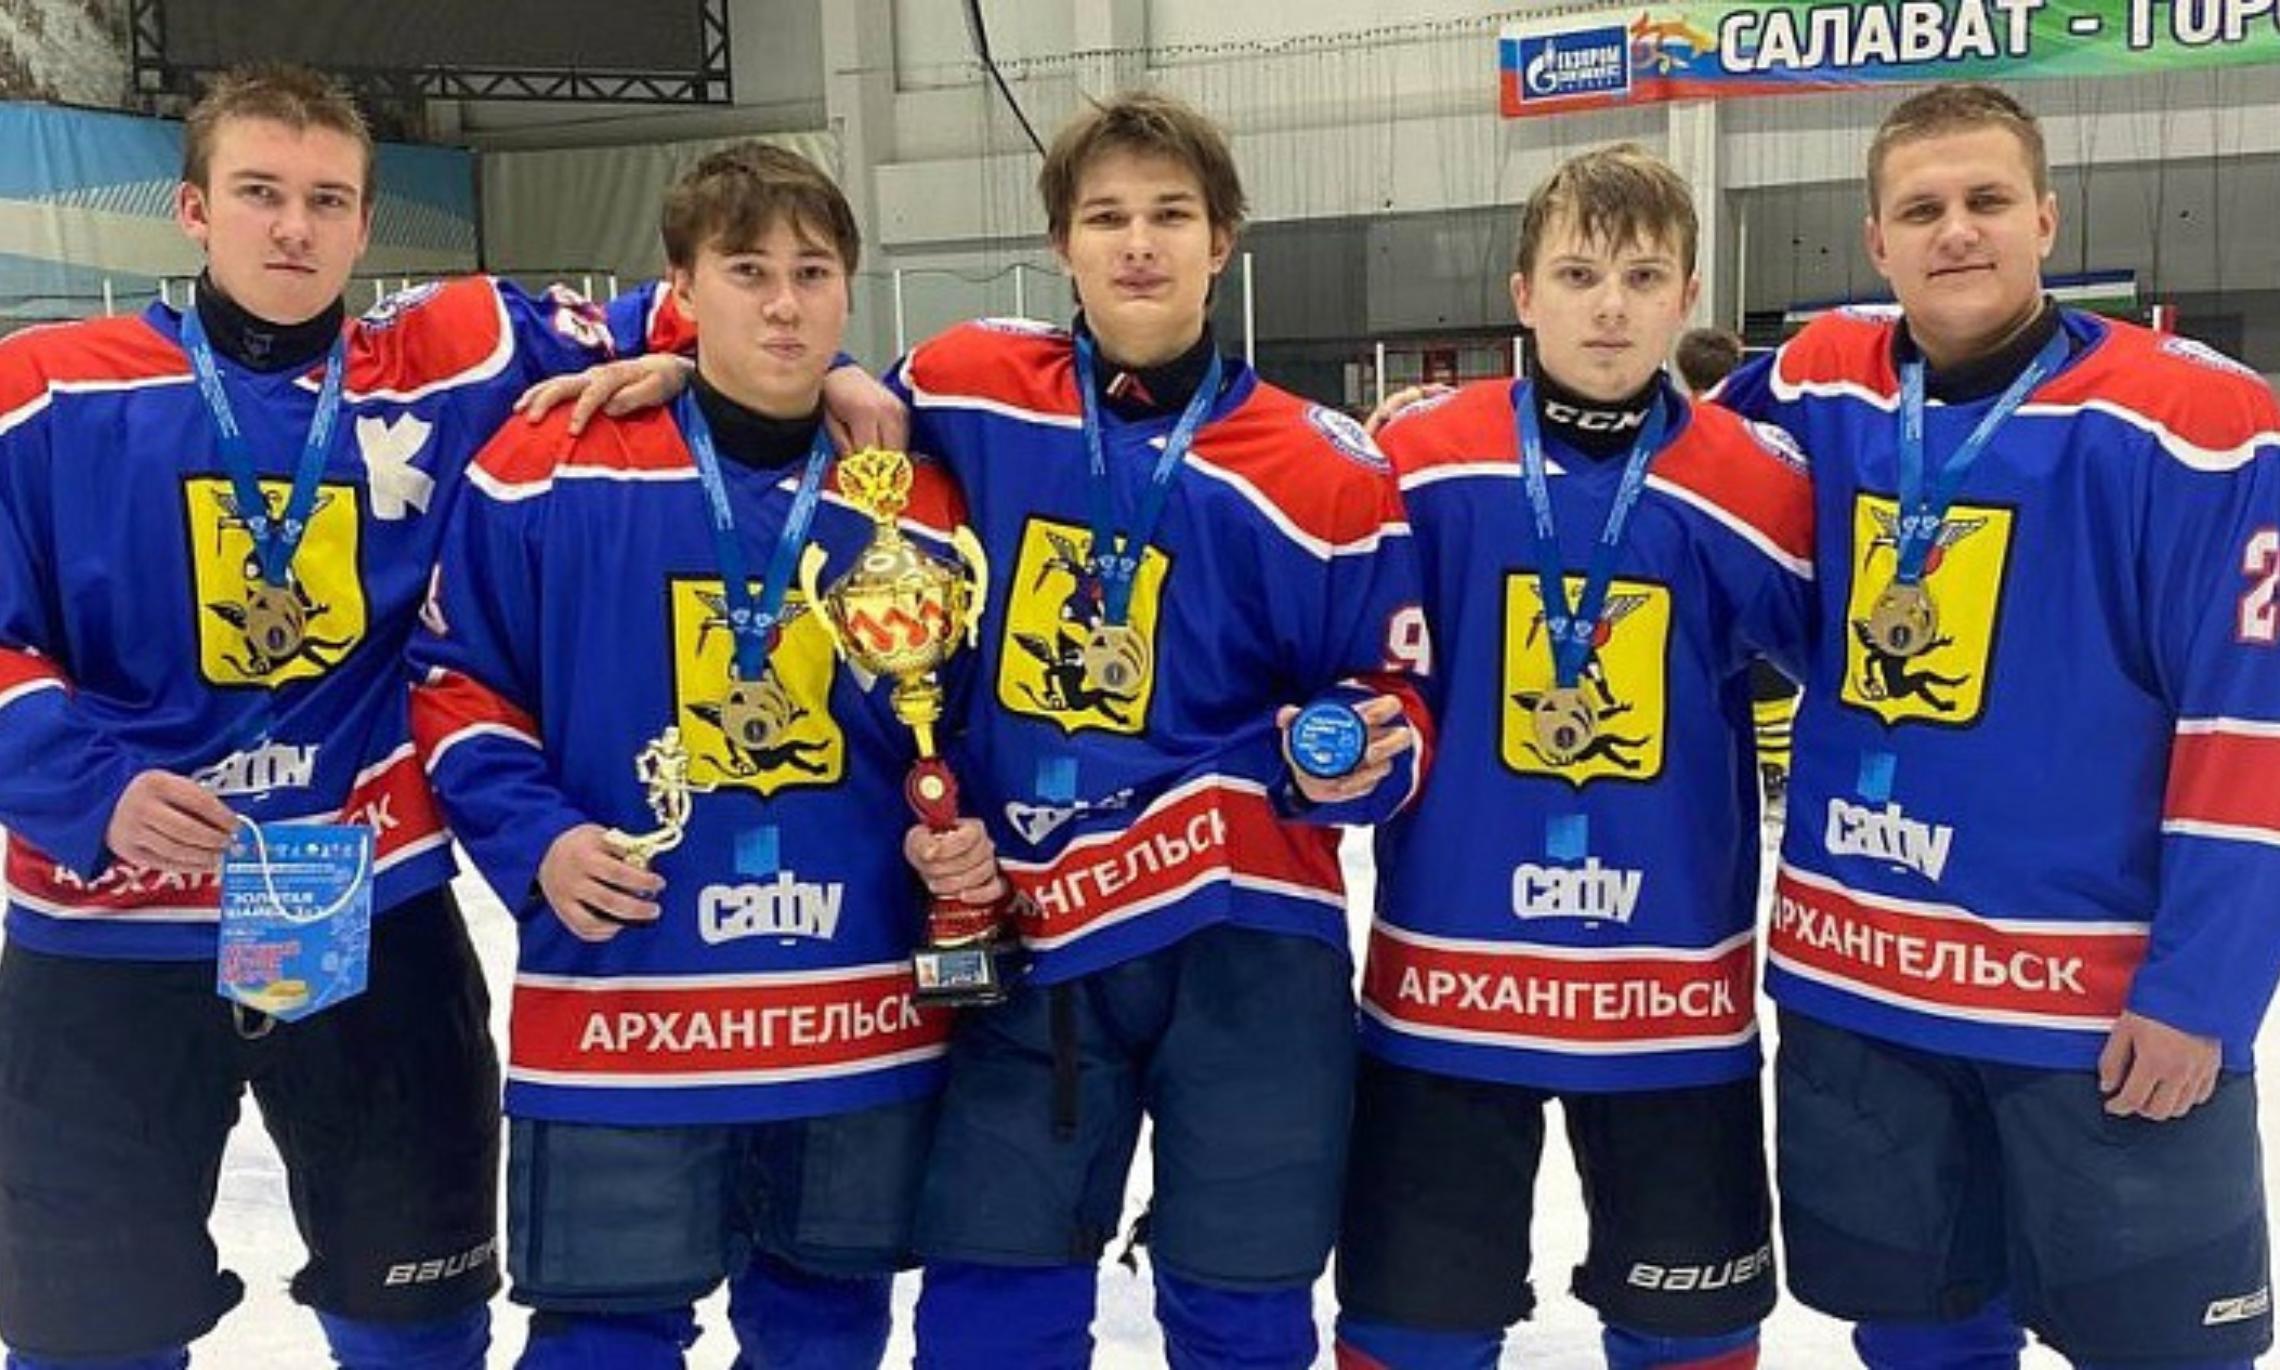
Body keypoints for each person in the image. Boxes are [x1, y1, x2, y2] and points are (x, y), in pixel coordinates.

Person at [0, 65, 892, 1370]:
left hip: (365, 902)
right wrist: (91, 786)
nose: (293, 228)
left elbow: (728, 295)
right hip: (107, 926)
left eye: (327, 200)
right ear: (192, 210)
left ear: (367, 223)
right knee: (88, 1330)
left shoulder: (454, 350)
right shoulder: (43, 391)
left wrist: (840, 375)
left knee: (412, 1318)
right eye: (259, 194)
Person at [1716, 83, 2280, 1369]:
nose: (1956, 230)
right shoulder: (1817, 382)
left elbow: (2251, 729)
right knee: (1919, 1337)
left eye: (1985, 200)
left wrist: (2202, 991)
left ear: (2046, 219)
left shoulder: (2196, 427)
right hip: (1865, 996)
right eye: (1921, 209)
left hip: (2092, 1012)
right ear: (1876, 241)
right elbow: (1674, 486)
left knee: (2165, 1350)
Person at [409, 141, 970, 1370]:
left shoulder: (911, 491)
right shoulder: (551, 460)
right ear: (681, 288)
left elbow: (959, 721)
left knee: (826, 1331)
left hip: (852, 1014)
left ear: (850, 289)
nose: (783, 304)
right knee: (602, 1341)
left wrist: (962, 835)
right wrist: (538, 838)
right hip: (628, 1007)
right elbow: (456, 678)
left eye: (812, 273)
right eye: (746, 270)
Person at [893, 90, 1430, 1369]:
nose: (1138, 243)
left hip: (1243, 931)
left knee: (1242, 1300)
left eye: (1171, 215)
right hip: (1027, 923)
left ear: (1222, 240)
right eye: (1107, 217)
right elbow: (804, 386)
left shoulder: (1324, 467)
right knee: (990, 1304)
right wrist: (669, 350)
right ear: (1062, 244)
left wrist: (1352, 751)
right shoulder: (969, 385)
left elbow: (1396, 698)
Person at [1332, 145, 1812, 1370]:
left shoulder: (1754, 481)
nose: (1610, 305)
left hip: (1670, 997)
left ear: (1687, 295)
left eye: (1643, 277)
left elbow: (1870, 676)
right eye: (1579, 273)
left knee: (1694, 1332)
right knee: (1408, 1333)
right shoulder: (1422, 459)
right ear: (1522, 292)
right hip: (1448, 991)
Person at [1675, 326, 1800, 806]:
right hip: (1759, 568)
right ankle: (1775, 765)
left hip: (1695, 590)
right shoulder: (1765, 433)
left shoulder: (1673, 432)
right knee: (1769, 667)